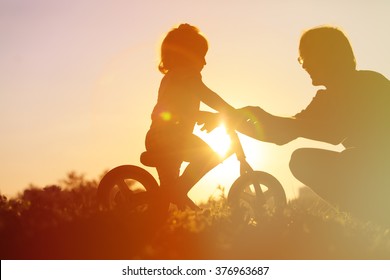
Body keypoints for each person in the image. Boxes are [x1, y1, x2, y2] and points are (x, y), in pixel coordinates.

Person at [231, 26, 390, 224]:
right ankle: (373, 218)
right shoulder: (325, 98)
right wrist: (234, 121)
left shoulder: (367, 82)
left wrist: (262, 116)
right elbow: (281, 135)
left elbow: (332, 131)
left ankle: (378, 216)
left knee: (317, 159)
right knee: (302, 160)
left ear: (324, 56)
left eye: (305, 57)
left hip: (382, 167)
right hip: (369, 169)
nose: (303, 66)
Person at [142, 23, 235, 209]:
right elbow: (208, 96)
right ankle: (178, 193)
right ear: (187, 56)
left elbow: (173, 109)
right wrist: (231, 112)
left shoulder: (170, 78)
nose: (205, 63)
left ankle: (167, 206)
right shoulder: (188, 78)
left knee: (167, 191)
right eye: (202, 57)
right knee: (208, 156)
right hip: (172, 138)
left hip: (158, 137)